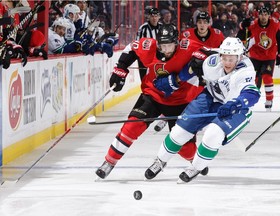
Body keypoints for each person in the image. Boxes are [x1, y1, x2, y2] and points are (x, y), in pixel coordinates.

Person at [95, 24, 209, 180]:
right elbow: (130, 48)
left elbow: (210, 53)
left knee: (184, 147)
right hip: (153, 95)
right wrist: (121, 68)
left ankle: (195, 161)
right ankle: (109, 162)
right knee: (131, 126)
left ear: (177, 42)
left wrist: (201, 60)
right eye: (163, 46)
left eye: (170, 45)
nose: (166, 50)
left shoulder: (187, 46)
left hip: (181, 102)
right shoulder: (148, 46)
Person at [144, 37, 261, 182]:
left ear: (239, 57)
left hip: (235, 107)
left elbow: (253, 94)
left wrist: (235, 104)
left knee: (213, 134)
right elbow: (195, 64)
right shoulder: (213, 61)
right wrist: (175, 80)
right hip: (210, 96)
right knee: (179, 131)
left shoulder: (245, 70)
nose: (227, 63)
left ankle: (196, 166)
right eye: (225, 58)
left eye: (231, 59)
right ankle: (160, 161)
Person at [237, 6, 280, 111]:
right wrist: (243, 26)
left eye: (266, 14)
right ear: (258, 15)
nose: (263, 17)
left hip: (269, 55)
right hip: (255, 55)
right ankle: (252, 98)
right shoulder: (253, 25)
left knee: (267, 78)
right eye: (261, 14)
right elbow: (241, 36)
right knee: (255, 79)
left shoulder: (275, 24)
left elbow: (279, 40)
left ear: (269, 16)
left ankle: (269, 100)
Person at [135, 7, 166, 132]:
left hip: (158, 61)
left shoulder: (162, 27)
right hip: (144, 61)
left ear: (159, 17)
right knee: (146, 85)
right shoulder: (143, 28)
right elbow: (137, 44)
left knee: (160, 84)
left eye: (156, 15)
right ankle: (147, 108)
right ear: (149, 16)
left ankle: (160, 108)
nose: (154, 18)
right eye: (152, 16)